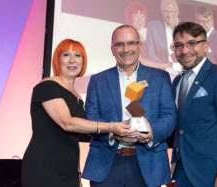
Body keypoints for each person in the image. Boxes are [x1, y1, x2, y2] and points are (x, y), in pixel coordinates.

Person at [21, 39, 134, 187]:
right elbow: (67, 123)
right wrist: (112, 126)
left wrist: (78, 174)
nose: (72, 60)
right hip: (44, 166)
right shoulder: (47, 86)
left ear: (83, 61)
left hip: (68, 170)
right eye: (66, 54)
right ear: (58, 60)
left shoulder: (78, 98)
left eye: (78, 55)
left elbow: (73, 139)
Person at [82, 25, 177, 187]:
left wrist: (151, 134)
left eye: (131, 43)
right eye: (119, 44)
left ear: (140, 46)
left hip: (148, 164)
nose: (125, 49)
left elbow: (169, 116)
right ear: (112, 49)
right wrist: (111, 132)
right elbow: (91, 117)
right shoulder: (98, 80)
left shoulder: (160, 78)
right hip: (106, 163)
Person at [171, 22, 217, 187]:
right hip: (183, 174)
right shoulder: (177, 81)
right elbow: (181, 127)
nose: (185, 50)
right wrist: (174, 160)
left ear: (205, 46)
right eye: (179, 45)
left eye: (192, 43)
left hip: (213, 175)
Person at [144, 0, 181, 74]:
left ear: (177, 11)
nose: (169, 15)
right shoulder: (152, 26)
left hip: (181, 70)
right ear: (161, 11)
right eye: (166, 11)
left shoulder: (186, 28)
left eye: (172, 11)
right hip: (159, 68)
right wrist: (164, 66)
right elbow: (150, 53)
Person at [195, 5, 217, 69]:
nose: (200, 24)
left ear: (212, 21)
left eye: (204, 21)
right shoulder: (195, 37)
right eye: (198, 21)